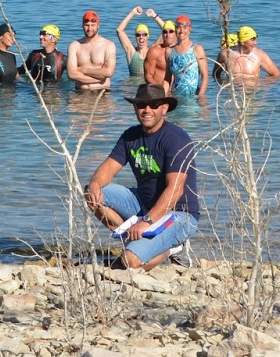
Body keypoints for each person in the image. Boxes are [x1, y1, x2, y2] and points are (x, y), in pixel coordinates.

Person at [83, 82, 200, 271]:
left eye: (153, 105)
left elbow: (175, 191)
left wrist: (147, 222)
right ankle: (130, 238)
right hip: (143, 204)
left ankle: (174, 249)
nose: (147, 110)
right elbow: (106, 171)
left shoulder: (177, 139)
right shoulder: (131, 136)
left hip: (179, 213)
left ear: (165, 108)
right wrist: (95, 184)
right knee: (91, 192)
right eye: (141, 105)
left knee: (130, 263)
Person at [67, 10, 116, 91]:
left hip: (102, 92)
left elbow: (108, 72)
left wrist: (82, 69)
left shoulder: (108, 45)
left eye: (93, 25)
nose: (89, 29)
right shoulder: (74, 46)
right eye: (87, 25)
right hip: (79, 93)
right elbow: (71, 74)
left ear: (98, 25)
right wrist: (97, 79)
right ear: (82, 25)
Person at [166, 15, 209, 98]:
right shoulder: (170, 51)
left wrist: (201, 97)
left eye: (185, 27)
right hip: (176, 97)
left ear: (190, 29)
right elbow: (167, 79)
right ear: (175, 29)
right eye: (178, 27)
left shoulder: (197, 49)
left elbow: (205, 77)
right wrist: (165, 96)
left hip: (193, 98)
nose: (181, 30)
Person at [115, 8, 153, 80]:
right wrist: (132, 13)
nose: (141, 37)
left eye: (144, 34)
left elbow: (167, 32)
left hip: (148, 89)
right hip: (133, 89)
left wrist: (155, 16)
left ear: (148, 36)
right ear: (135, 37)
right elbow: (119, 30)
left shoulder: (153, 51)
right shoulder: (132, 52)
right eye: (138, 35)